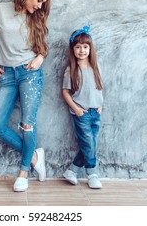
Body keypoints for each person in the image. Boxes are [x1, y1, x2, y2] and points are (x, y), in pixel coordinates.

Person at [0, 0, 52, 192]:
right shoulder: (1, 10)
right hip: (6, 76)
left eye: (43, 2)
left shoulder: (37, 17)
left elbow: (42, 47)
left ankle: (24, 172)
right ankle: (34, 156)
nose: (40, 5)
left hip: (29, 74)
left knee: (27, 124)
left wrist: (40, 58)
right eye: (39, 0)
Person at [61, 26, 104, 189]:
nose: (82, 50)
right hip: (81, 113)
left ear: (90, 48)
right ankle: (92, 173)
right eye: (78, 47)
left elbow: (99, 87)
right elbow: (65, 92)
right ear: (73, 49)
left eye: (85, 47)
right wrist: (76, 109)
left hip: (95, 112)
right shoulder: (71, 70)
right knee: (89, 143)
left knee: (89, 144)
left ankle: (72, 171)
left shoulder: (96, 67)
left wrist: (100, 104)